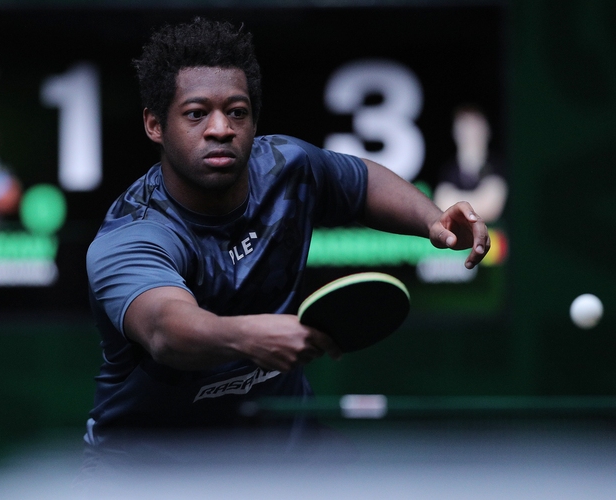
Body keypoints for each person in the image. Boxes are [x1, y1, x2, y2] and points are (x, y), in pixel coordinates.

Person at [83, 18, 490, 453]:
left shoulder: (285, 167)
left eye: (237, 112)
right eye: (196, 114)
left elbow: (360, 182)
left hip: (282, 451)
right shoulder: (134, 235)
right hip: (150, 468)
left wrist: (432, 219)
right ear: (155, 125)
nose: (221, 128)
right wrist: (250, 338)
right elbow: (166, 329)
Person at [433, 105, 507, 223]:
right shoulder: (448, 170)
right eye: (464, 128)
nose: (470, 134)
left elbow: (491, 208)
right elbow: (441, 204)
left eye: (475, 127)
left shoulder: (496, 166)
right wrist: (478, 199)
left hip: (494, 238)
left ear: (486, 130)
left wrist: (456, 202)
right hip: (460, 238)